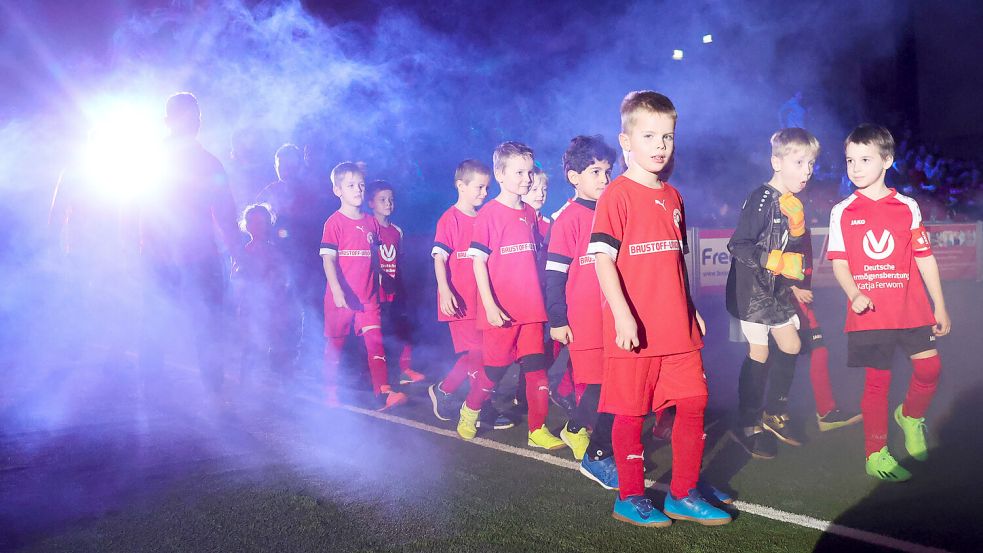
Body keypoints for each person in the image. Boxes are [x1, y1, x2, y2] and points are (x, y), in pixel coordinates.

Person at [588, 91, 730, 527]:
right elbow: (602, 259)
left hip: (676, 326)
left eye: (667, 136)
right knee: (631, 412)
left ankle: (683, 492)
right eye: (649, 135)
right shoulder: (616, 195)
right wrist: (623, 314)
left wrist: (690, 305)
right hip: (635, 329)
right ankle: (629, 496)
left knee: (694, 402)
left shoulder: (673, 197)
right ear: (625, 141)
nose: (660, 145)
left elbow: (676, 260)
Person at [828, 124, 951, 481]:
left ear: (887, 161)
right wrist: (855, 294)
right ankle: (876, 454)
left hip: (912, 308)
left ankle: (911, 417)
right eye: (850, 160)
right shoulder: (843, 211)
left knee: (930, 369)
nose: (855, 167)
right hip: (870, 314)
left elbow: (925, 258)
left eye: (865, 159)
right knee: (877, 384)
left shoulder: (907, 207)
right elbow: (839, 263)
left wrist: (939, 305)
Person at [457, 142, 565, 451]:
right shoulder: (488, 214)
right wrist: (489, 306)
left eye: (530, 172)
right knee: (493, 372)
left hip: (531, 310)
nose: (526, 179)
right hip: (501, 312)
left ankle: (537, 428)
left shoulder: (530, 214)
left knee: (536, 370)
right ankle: (471, 409)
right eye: (519, 172)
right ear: (500, 174)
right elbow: (478, 263)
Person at [138, 92, 242, 396]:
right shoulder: (153, 161)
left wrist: (237, 250)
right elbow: (133, 206)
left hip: (197, 255)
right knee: (160, 317)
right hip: (163, 256)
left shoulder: (208, 162)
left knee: (207, 319)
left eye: (196, 116)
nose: (193, 121)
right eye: (187, 116)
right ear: (168, 121)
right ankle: (155, 382)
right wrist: (131, 244)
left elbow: (225, 211)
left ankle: (210, 381)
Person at [725, 128, 817, 460]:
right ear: (776, 162)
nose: (807, 171)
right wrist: (773, 260)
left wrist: (795, 234)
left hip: (774, 290)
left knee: (792, 344)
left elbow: (788, 250)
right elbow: (738, 245)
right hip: (751, 290)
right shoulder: (762, 198)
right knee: (760, 353)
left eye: (811, 164)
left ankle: (774, 413)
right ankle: (747, 423)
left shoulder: (791, 202)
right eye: (799, 162)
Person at [545, 135, 619, 489]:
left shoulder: (613, 212)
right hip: (585, 321)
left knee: (612, 383)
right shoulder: (567, 219)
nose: (604, 179)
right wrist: (558, 319)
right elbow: (554, 275)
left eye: (607, 171)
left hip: (615, 318)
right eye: (595, 171)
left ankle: (580, 431)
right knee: (603, 385)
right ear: (574, 177)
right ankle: (588, 442)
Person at [320, 162, 407, 410]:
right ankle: (330, 391)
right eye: (350, 185)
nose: (357, 190)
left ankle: (383, 391)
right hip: (342, 299)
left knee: (375, 342)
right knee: (335, 344)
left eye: (360, 185)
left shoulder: (371, 223)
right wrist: (337, 290)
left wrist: (383, 277)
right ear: (338, 190)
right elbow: (329, 259)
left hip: (368, 298)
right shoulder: (334, 223)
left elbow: (373, 256)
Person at [256, 144, 331, 381]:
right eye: (280, 165)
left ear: (299, 165)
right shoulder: (271, 191)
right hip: (280, 261)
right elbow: (257, 223)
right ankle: (279, 356)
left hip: (309, 261)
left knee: (310, 311)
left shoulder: (312, 192)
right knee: (281, 309)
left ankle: (307, 359)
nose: (284, 170)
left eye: (290, 165)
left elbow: (321, 224)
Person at [428, 160, 492, 420]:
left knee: (484, 354)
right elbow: (439, 258)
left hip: (483, 302)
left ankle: (444, 389)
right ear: (461, 186)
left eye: (487, 188)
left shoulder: (486, 217)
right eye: (479, 187)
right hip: (461, 301)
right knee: (477, 354)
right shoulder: (449, 219)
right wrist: (445, 290)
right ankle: (476, 406)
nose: (484, 193)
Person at [791, 229, 862, 431]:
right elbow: (765, 264)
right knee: (776, 358)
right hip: (777, 303)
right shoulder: (775, 222)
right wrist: (792, 288)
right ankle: (764, 413)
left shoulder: (803, 230)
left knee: (819, 352)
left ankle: (826, 413)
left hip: (801, 304)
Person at [365, 180, 425, 386]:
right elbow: (367, 260)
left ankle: (404, 369)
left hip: (393, 289)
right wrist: (381, 278)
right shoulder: (367, 228)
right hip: (374, 291)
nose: (388, 203)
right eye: (382, 200)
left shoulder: (397, 232)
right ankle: (376, 378)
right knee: (377, 335)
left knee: (403, 327)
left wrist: (401, 286)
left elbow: (399, 261)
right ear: (371, 203)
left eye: (391, 200)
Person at [234, 203, 291, 384]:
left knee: (277, 344)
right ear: (247, 225)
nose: (258, 227)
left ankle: (282, 383)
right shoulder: (243, 251)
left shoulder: (274, 250)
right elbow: (236, 278)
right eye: (254, 222)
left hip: (273, 304)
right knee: (251, 345)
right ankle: (247, 383)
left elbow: (283, 277)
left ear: (268, 224)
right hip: (251, 305)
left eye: (262, 222)